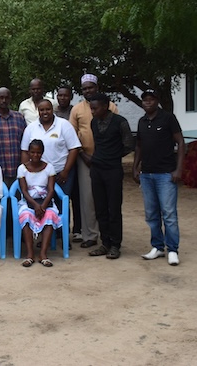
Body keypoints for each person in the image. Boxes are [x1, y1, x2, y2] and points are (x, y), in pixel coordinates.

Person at [133, 89, 185, 266]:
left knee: (169, 213)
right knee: (151, 214)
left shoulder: (168, 118)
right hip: (147, 174)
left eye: (151, 99)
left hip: (165, 174)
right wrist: (135, 167)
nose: (148, 102)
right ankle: (157, 246)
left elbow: (180, 142)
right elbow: (139, 146)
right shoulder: (141, 121)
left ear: (157, 101)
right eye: (145, 100)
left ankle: (172, 249)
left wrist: (178, 169)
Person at [69, 74, 119, 249]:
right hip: (85, 159)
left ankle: (109, 235)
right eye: (84, 89)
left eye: (90, 87)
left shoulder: (111, 106)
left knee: (108, 198)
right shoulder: (76, 109)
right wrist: (83, 155)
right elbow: (72, 136)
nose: (87, 91)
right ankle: (90, 234)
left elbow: (117, 132)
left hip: (107, 160)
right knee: (87, 198)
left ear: (97, 87)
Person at [87, 93, 134, 260]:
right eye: (91, 108)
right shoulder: (94, 122)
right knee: (100, 208)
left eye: (95, 108)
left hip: (113, 170)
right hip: (97, 169)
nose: (92, 111)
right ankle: (105, 242)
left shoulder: (120, 122)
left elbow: (129, 145)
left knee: (114, 208)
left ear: (106, 106)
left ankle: (115, 244)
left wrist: (113, 156)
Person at [17, 139, 63, 267]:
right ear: (29, 153)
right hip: (28, 201)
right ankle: (30, 254)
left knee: (50, 215)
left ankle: (43, 254)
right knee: (25, 215)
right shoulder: (22, 168)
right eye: (33, 152)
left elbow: (51, 189)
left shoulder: (49, 167)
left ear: (42, 153)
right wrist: (36, 205)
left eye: (38, 152)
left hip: (46, 200)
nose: (35, 155)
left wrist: (43, 206)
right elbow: (24, 191)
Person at [21, 100, 80, 197]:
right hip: (38, 176)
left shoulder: (64, 125)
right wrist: (26, 172)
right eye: (42, 110)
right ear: (38, 111)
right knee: (42, 204)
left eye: (48, 109)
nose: (45, 112)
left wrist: (65, 171)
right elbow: (24, 151)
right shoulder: (30, 128)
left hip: (61, 174)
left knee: (62, 205)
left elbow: (74, 148)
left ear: (52, 110)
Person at [54, 86, 82, 242]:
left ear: (71, 97)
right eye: (60, 95)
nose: (62, 98)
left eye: (66, 95)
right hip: (57, 161)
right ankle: (58, 231)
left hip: (73, 160)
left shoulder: (75, 111)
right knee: (58, 198)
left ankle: (77, 229)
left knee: (75, 197)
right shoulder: (53, 113)